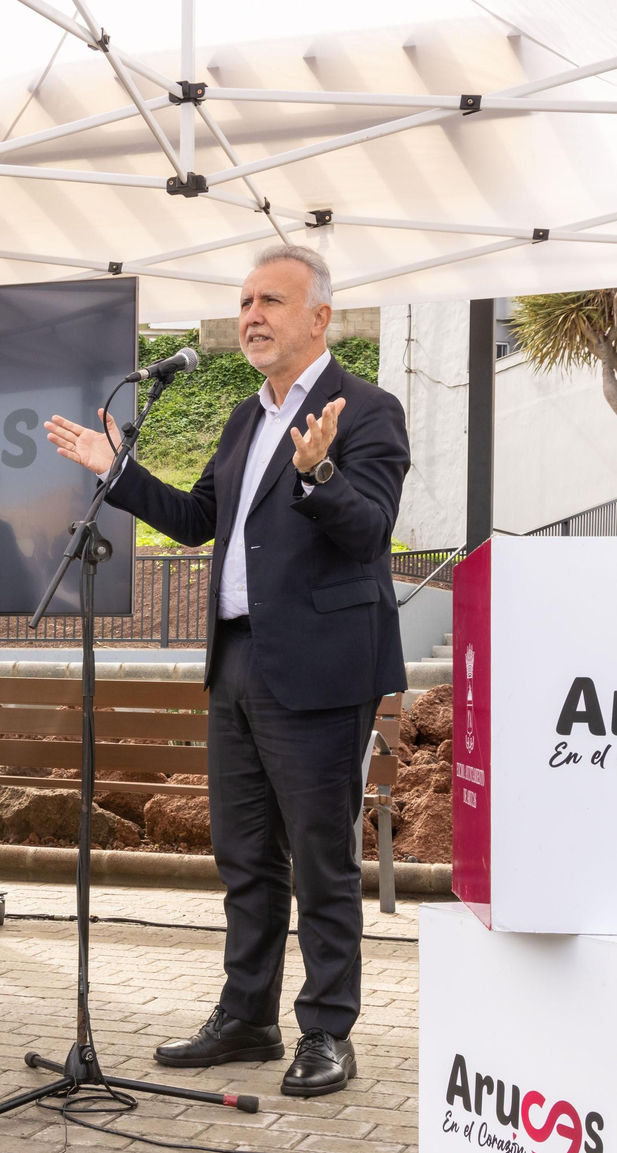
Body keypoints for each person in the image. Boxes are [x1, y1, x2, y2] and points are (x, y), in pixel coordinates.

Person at [45, 244, 409, 1099]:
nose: (251, 314)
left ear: (318, 317)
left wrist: (318, 471)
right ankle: (247, 1016)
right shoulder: (245, 418)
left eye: (271, 301)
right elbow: (200, 520)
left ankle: (327, 1030)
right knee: (244, 853)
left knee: (320, 856)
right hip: (239, 656)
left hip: (321, 666)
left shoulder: (367, 409)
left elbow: (370, 528)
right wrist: (119, 474)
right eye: (245, 300)